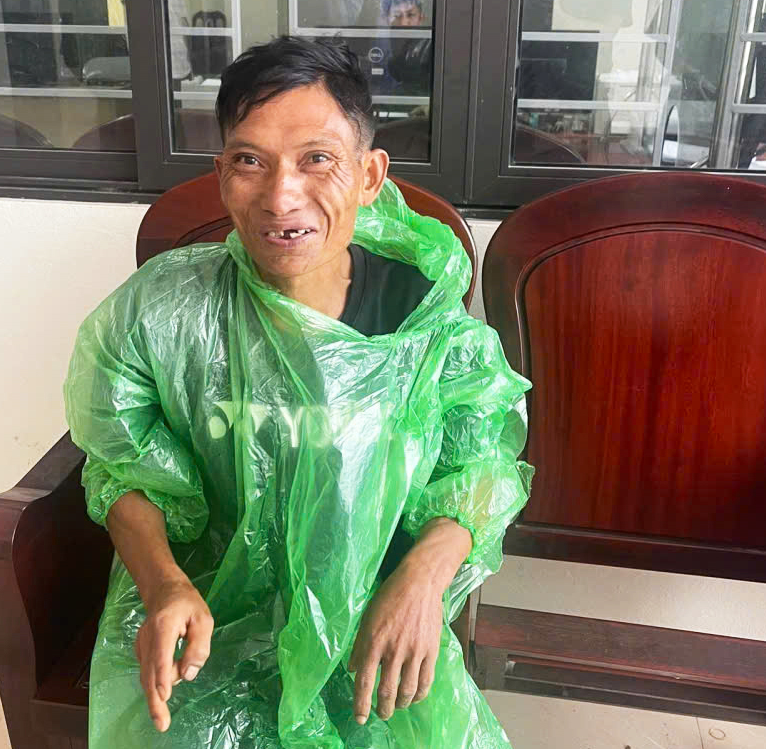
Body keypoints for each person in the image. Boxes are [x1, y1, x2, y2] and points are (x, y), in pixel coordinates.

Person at [64, 36, 532, 749]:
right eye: (250, 161)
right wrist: (163, 584)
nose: (281, 196)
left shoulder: (420, 319)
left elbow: (483, 466)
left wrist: (422, 577)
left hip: (370, 632)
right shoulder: (163, 313)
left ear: (369, 175)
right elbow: (121, 468)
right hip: (208, 632)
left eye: (317, 159)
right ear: (222, 174)